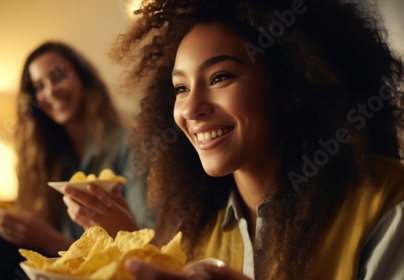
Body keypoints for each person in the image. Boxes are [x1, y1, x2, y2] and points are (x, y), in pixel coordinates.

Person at [108, 0, 404, 279]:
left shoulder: (386, 204)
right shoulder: (196, 236)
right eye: (180, 88)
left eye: (219, 77)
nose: (191, 109)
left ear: (288, 85)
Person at [0, 41, 151, 280]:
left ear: (82, 77)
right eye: (39, 86)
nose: (50, 91)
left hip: (116, 271)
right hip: (57, 270)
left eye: (58, 76)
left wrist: (51, 240)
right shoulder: (43, 159)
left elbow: (149, 243)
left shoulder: (132, 144)